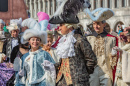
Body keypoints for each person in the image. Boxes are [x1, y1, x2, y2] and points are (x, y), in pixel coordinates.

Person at [49, 0, 97, 86]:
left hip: (77, 82)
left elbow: (91, 59)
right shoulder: (63, 41)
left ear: (69, 25)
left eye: (61, 25)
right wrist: (52, 66)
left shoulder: (79, 39)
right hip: (62, 82)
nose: (58, 28)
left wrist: (82, 73)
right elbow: (63, 62)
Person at [15, 18, 56, 86]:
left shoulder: (45, 54)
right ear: (29, 41)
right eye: (33, 39)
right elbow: (22, 74)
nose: (35, 42)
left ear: (40, 41)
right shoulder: (25, 57)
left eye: (37, 40)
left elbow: (52, 70)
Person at [84, 7, 118, 86]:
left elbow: (116, 58)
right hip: (92, 71)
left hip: (107, 71)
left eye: (98, 24)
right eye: (94, 24)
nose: (96, 26)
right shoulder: (88, 38)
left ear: (104, 24)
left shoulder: (112, 39)